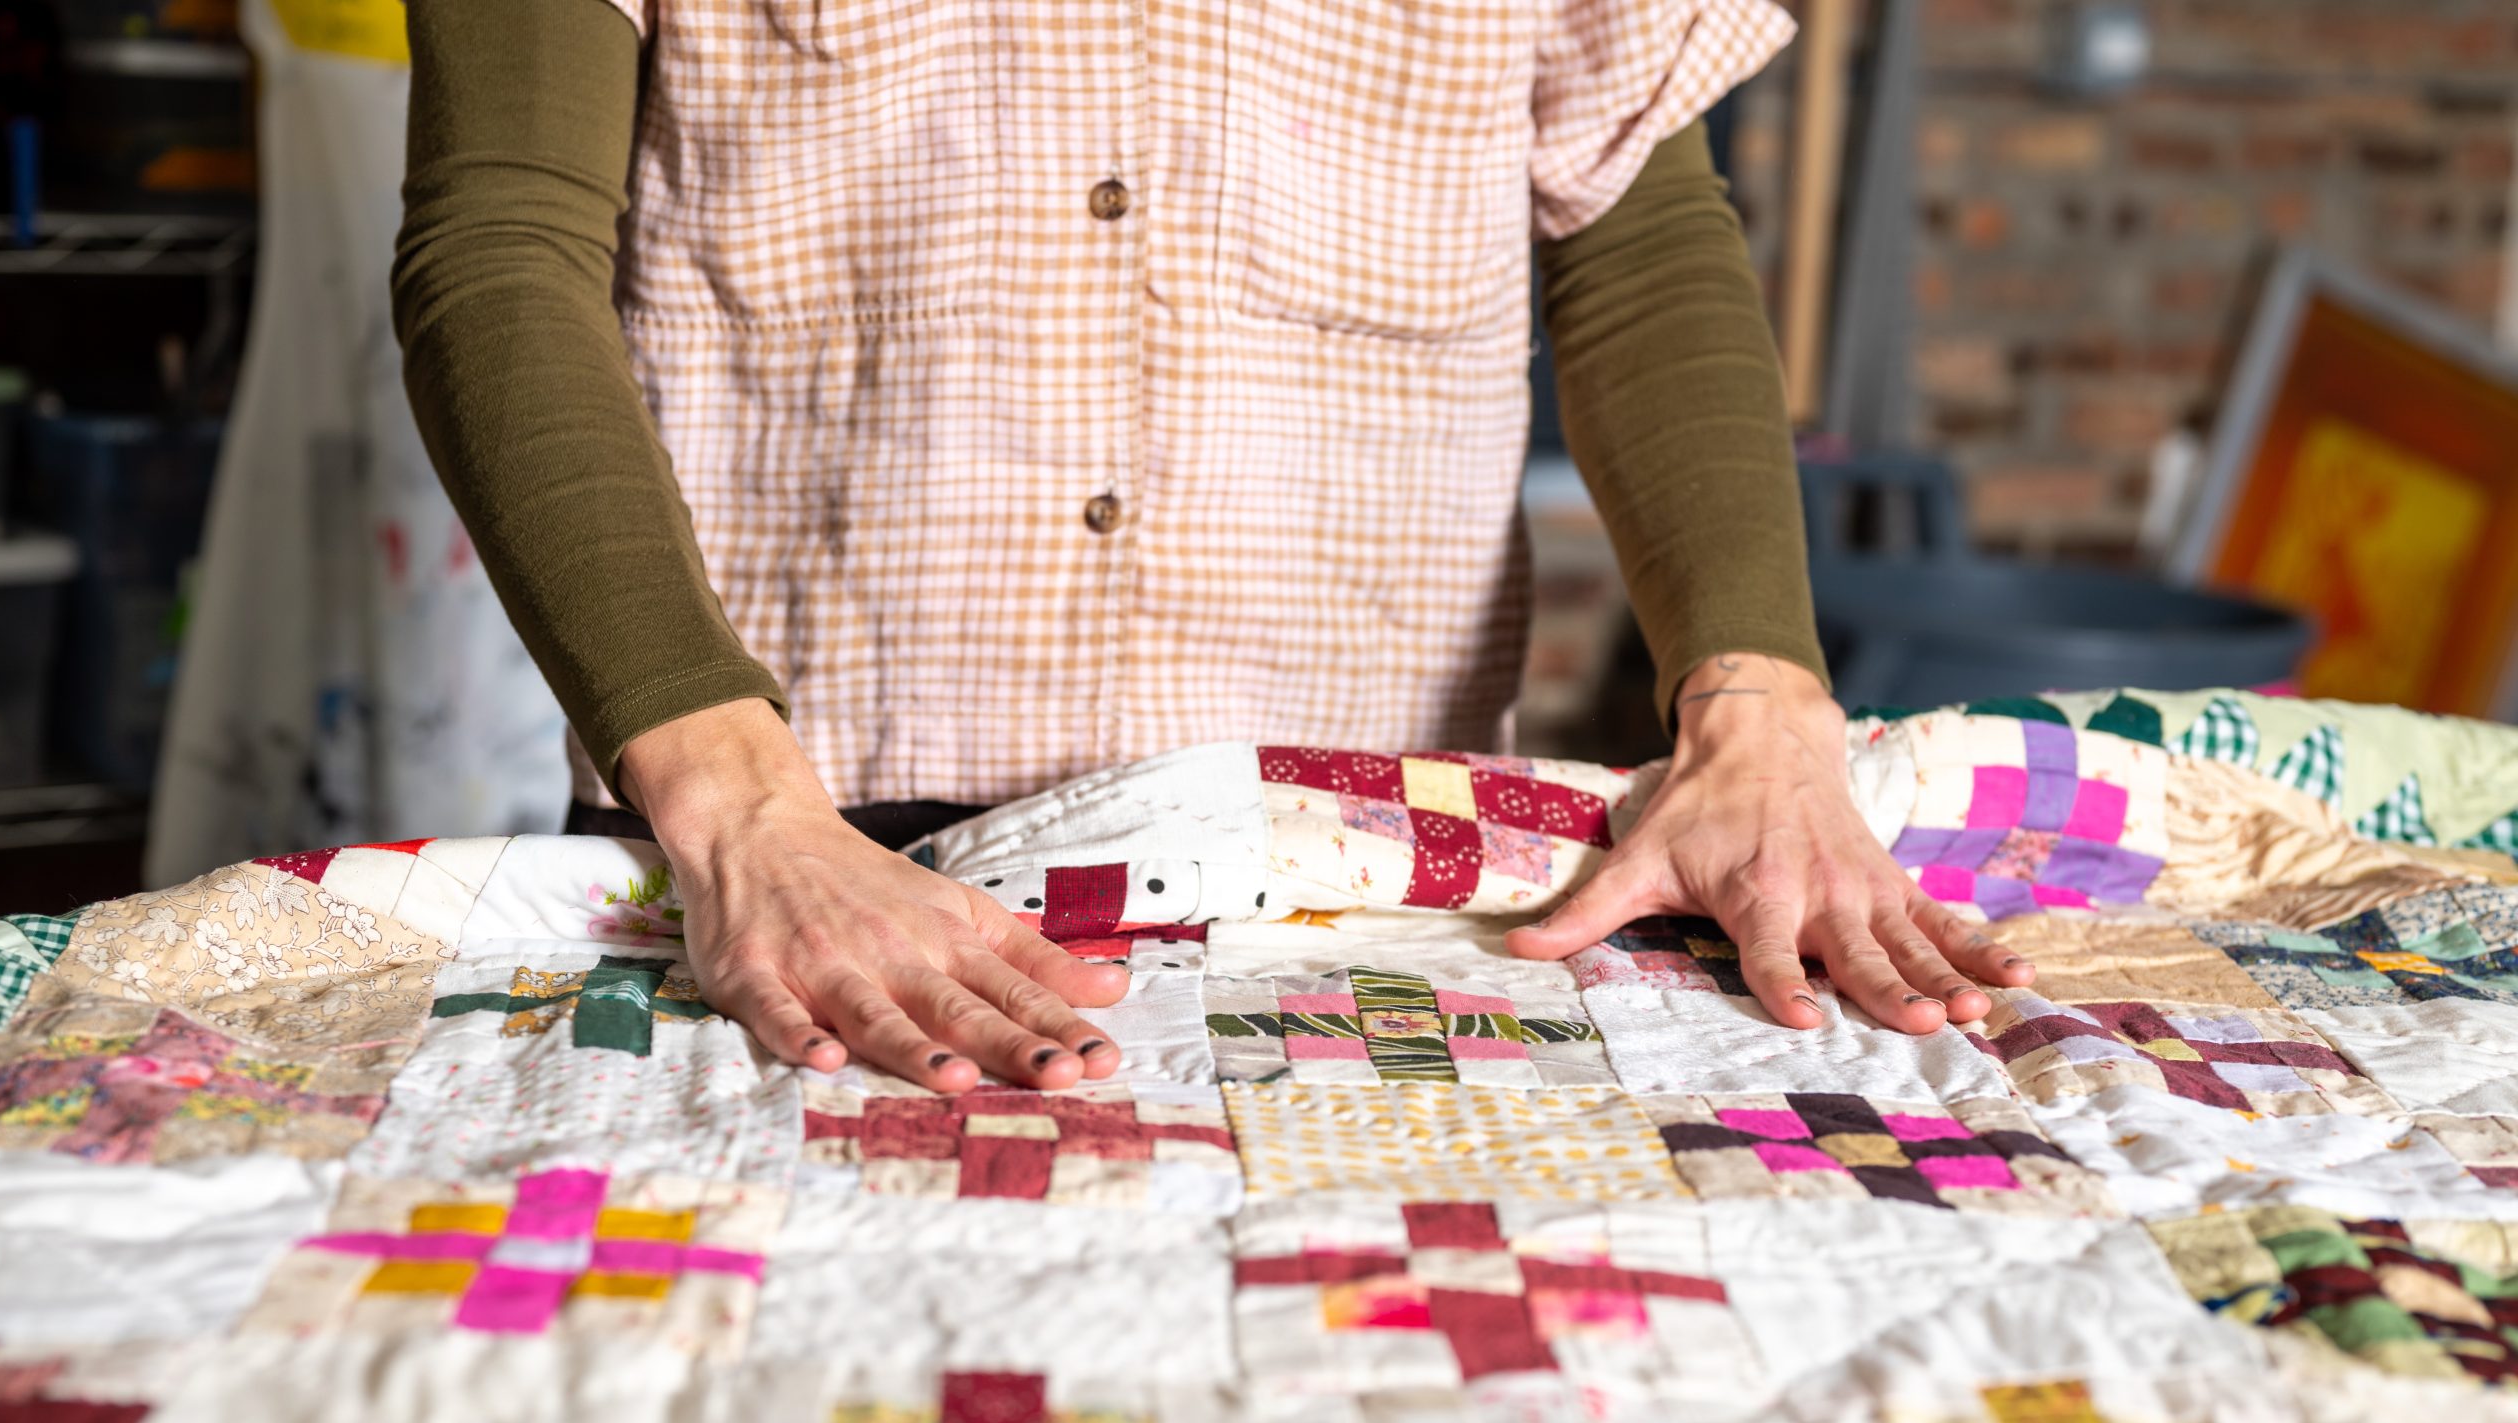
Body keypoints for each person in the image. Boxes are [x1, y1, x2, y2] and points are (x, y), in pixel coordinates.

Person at [391, 0, 2037, 1098]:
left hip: (1367, 865)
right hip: (803, 847)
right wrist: (738, 812)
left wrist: (1758, 709)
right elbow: (500, 243)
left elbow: (1641, 243)